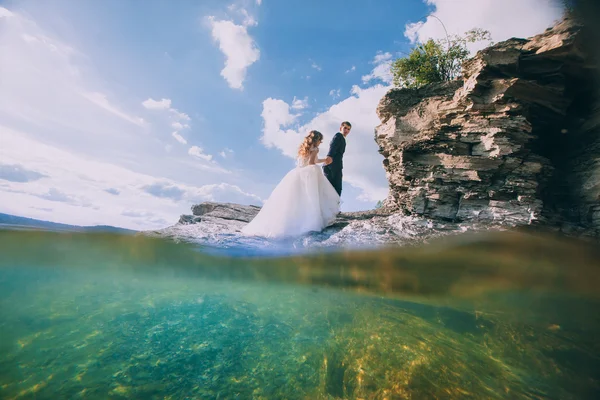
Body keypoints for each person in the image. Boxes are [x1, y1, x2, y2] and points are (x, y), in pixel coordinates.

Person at [241, 130, 340, 239]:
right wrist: (323, 162)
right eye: (320, 140)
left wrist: (324, 160)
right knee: (311, 198)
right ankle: (310, 223)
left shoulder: (303, 149)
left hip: (297, 174)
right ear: (316, 140)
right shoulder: (315, 149)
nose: (321, 142)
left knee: (296, 200)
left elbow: (309, 161)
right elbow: (312, 163)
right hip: (308, 175)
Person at [323, 121, 351, 196]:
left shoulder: (343, 139)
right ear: (340, 128)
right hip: (331, 165)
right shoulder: (338, 135)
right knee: (334, 188)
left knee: (336, 188)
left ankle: (333, 207)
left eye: (348, 129)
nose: (346, 130)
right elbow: (333, 146)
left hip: (336, 166)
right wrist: (329, 156)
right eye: (345, 128)